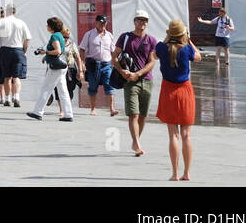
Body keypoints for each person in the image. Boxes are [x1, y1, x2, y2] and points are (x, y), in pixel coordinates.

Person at [156, 19, 197, 181]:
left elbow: (154, 54)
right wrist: (189, 39)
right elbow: (198, 56)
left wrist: (168, 40)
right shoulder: (187, 49)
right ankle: (186, 173)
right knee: (186, 135)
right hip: (185, 91)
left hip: (168, 91)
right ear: (183, 34)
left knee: (173, 135)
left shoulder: (161, 47)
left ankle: (174, 173)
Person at [114, 9, 157, 157]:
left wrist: (137, 73)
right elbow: (114, 57)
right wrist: (122, 71)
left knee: (143, 115)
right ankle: (137, 144)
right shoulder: (125, 37)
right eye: (140, 19)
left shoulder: (151, 40)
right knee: (134, 114)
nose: (143, 23)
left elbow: (152, 62)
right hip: (129, 82)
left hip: (146, 80)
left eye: (145, 20)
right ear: (134, 21)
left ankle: (135, 140)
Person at [27, 17, 74, 121]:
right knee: (63, 91)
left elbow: (57, 51)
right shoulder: (60, 36)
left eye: (47, 25)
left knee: (46, 88)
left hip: (56, 67)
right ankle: (68, 114)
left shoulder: (54, 36)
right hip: (62, 66)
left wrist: (45, 52)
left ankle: (38, 112)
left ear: (51, 27)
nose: (46, 26)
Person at [78, 14, 120, 116]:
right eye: (100, 22)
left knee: (109, 85)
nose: (102, 24)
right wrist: (82, 63)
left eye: (104, 22)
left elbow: (113, 51)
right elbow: (82, 49)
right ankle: (93, 109)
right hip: (93, 64)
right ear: (96, 23)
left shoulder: (109, 35)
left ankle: (112, 109)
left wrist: (116, 64)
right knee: (93, 86)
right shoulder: (89, 34)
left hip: (106, 64)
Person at [0, 4, 31, 107]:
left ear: (6, 11)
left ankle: (7, 98)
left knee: (7, 76)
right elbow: (27, 38)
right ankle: (16, 97)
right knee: (17, 77)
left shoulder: (1, 22)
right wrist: (24, 49)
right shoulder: (21, 22)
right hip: (18, 49)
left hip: (5, 50)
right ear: (15, 11)